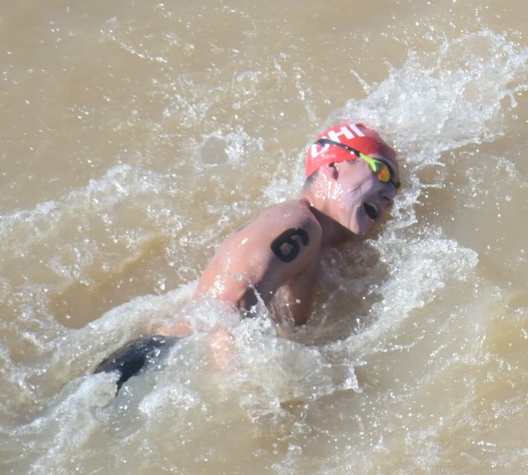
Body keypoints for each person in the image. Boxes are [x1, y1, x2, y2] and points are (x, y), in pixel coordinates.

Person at [90, 121, 404, 389]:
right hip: (157, 365)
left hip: (163, 363)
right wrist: (249, 410)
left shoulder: (315, 243)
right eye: (382, 173)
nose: (390, 195)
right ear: (333, 166)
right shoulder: (299, 225)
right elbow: (226, 315)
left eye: (396, 188)